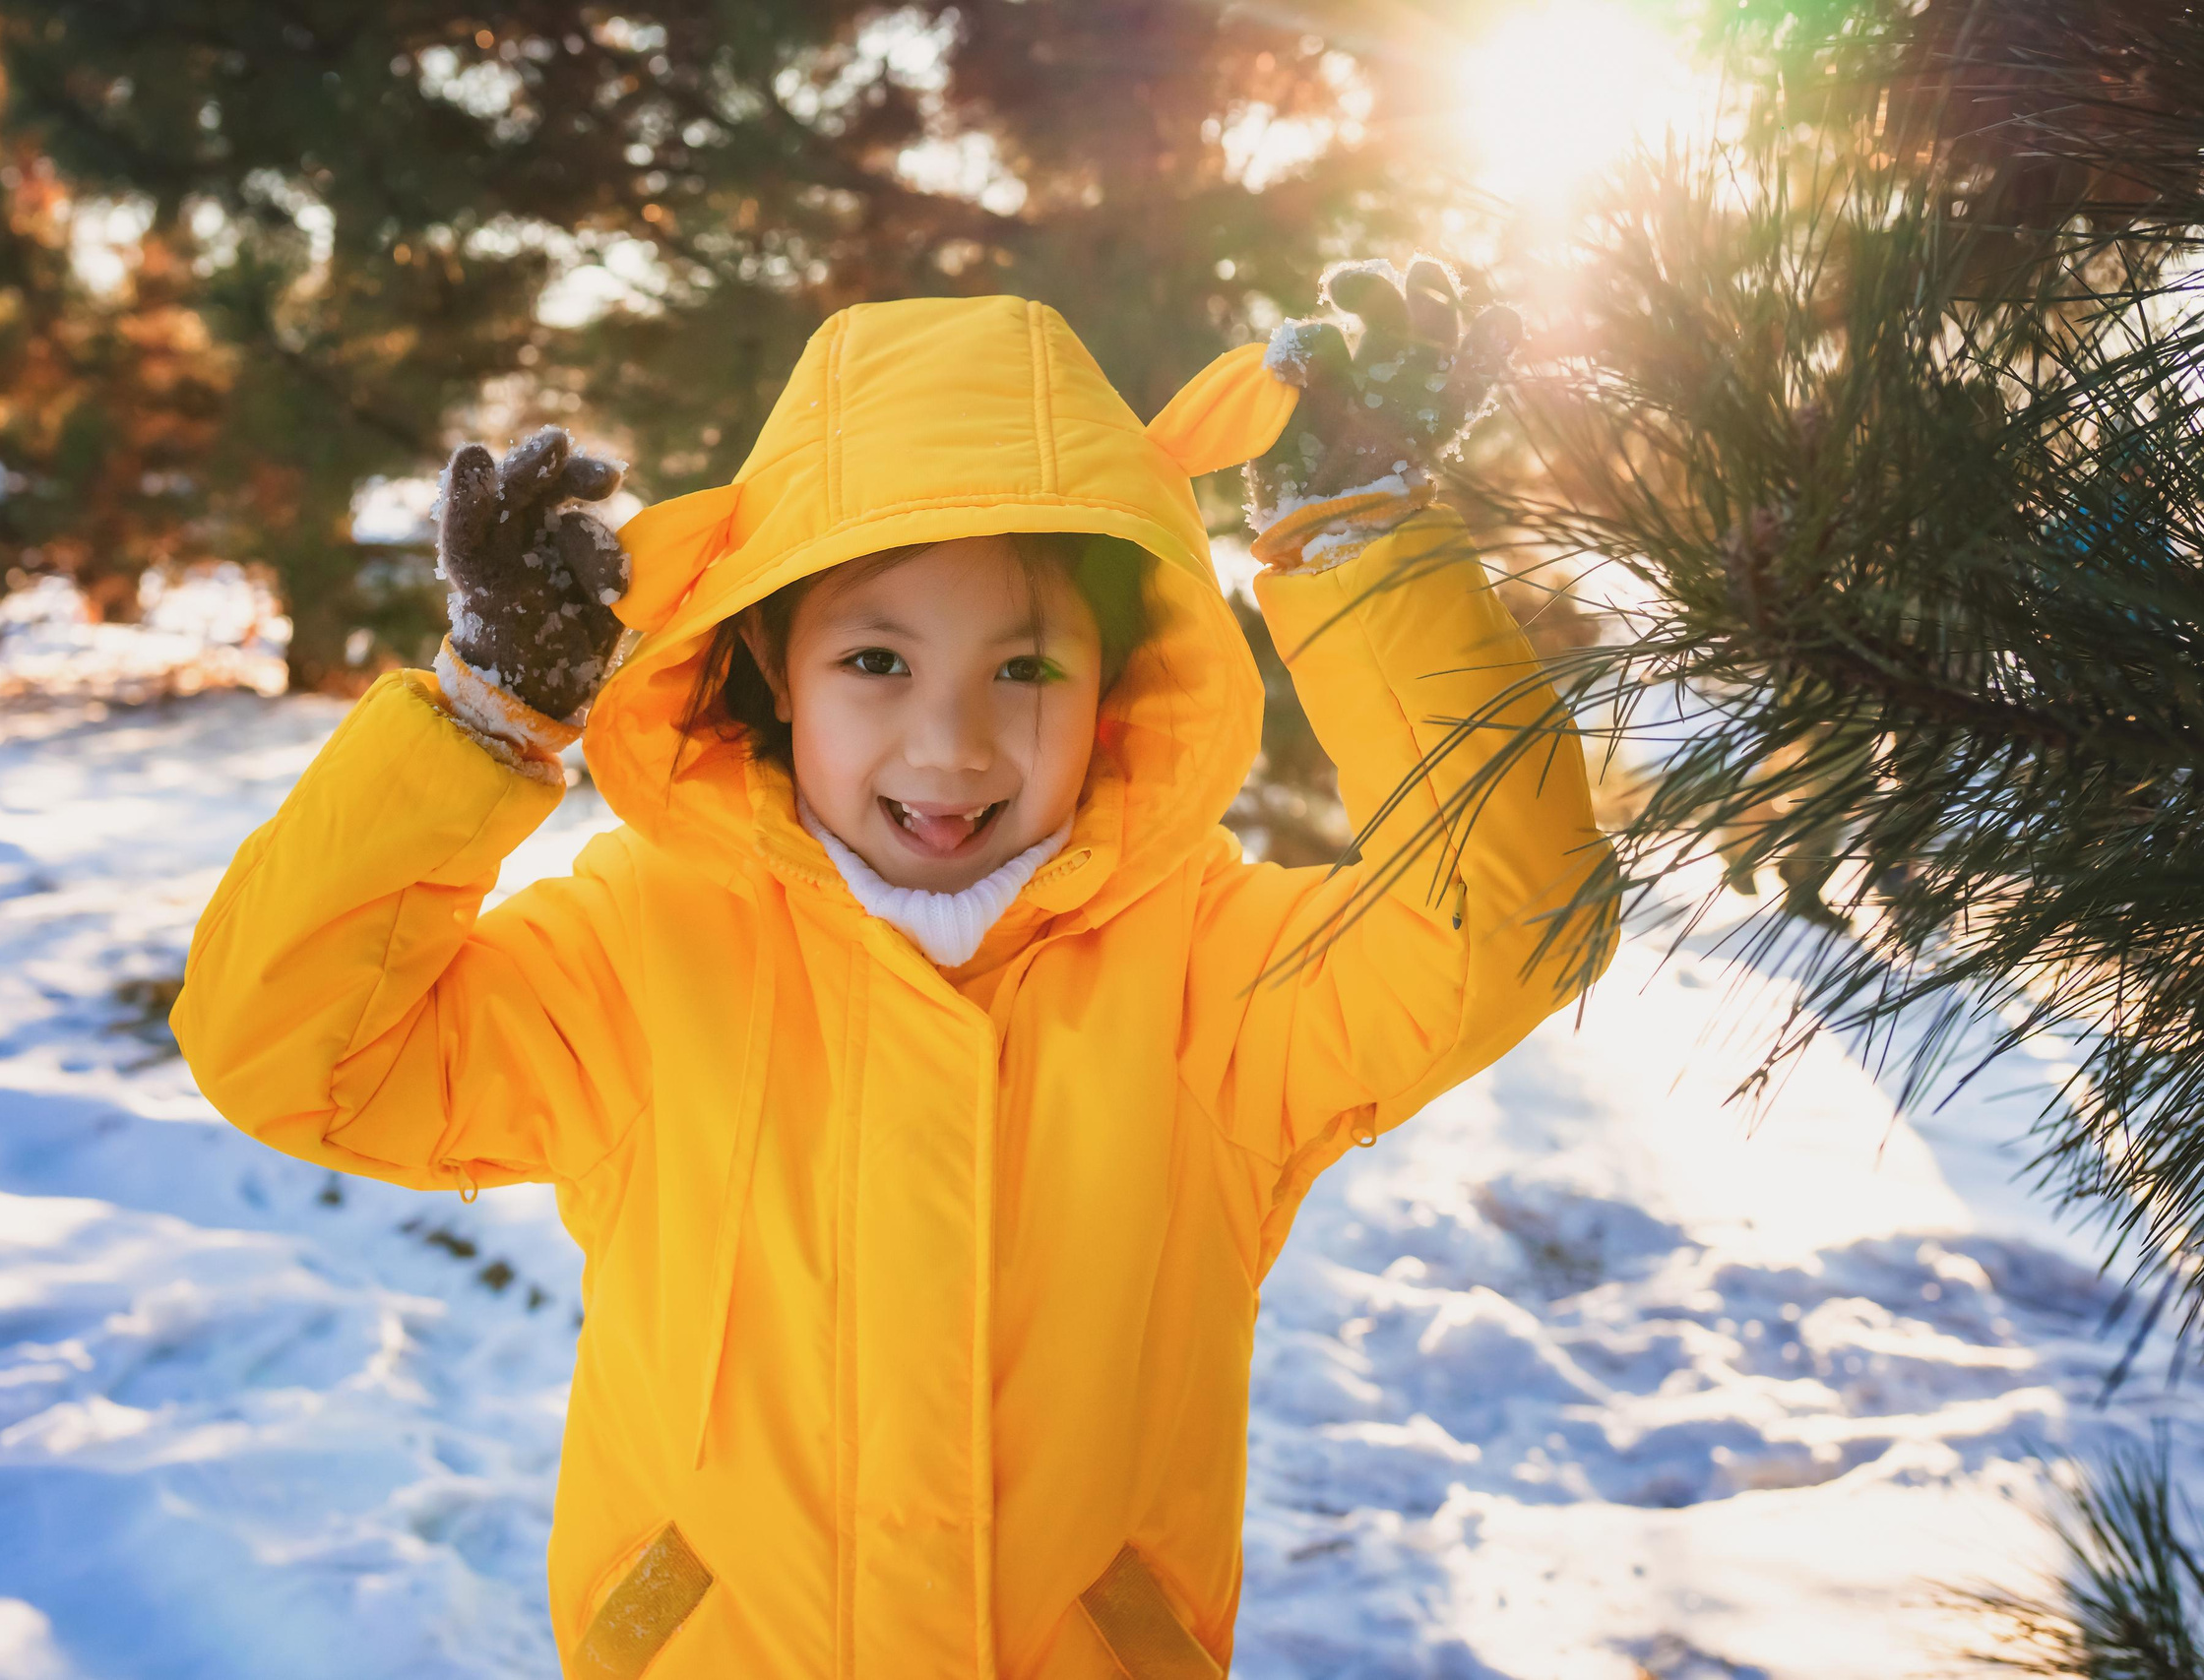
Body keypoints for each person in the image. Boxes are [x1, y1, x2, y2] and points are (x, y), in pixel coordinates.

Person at [171, 261, 1617, 1680]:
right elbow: (291, 1048)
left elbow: (1506, 923)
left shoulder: (1209, 981)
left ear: (1120, 689)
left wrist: (1370, 564)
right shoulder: (640, 947)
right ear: (769, 672)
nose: (951, 746)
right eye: (875, 661)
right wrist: (482, 725)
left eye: (1027, 668)